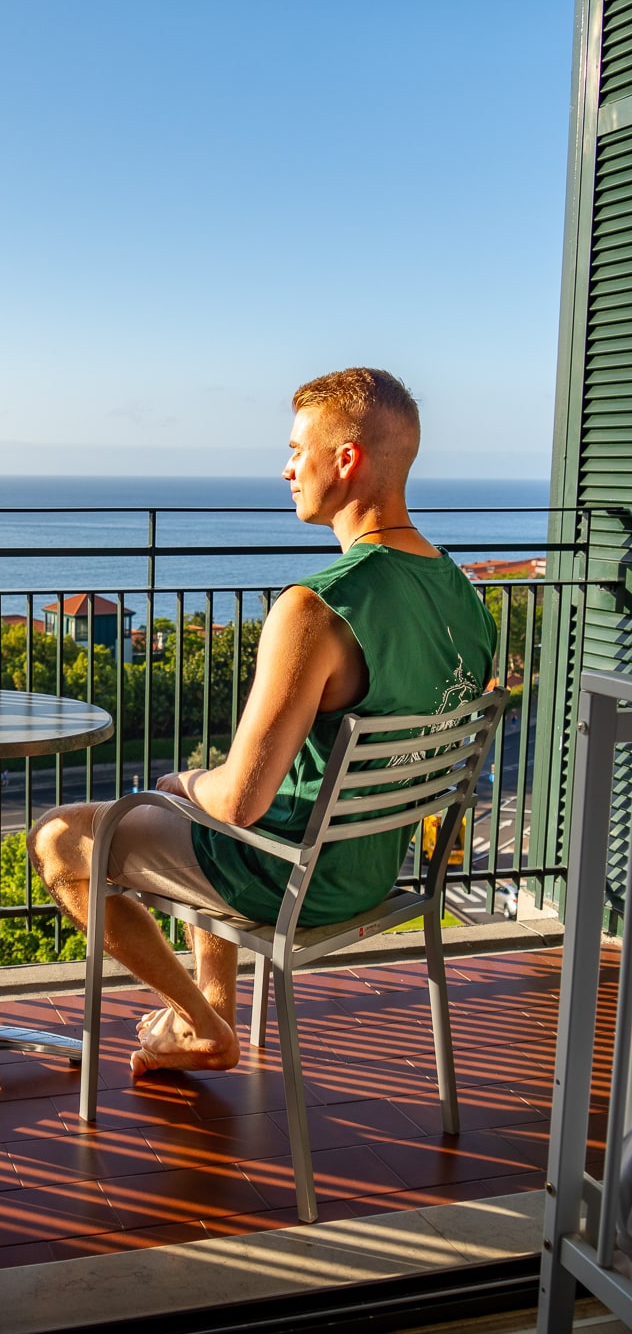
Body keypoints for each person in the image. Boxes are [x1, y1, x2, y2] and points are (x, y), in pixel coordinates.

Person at [29, 367, 497, 1080]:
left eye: (296, 449)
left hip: (297, 880)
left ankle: (202, 1023)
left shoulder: (317, 608)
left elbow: (238, 803)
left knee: (63, 839)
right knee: (196, 797)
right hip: (378, 871)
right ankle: (210, 1000)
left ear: (346, 460)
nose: (286, 468)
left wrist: (181, 780)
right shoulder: (463, 594)